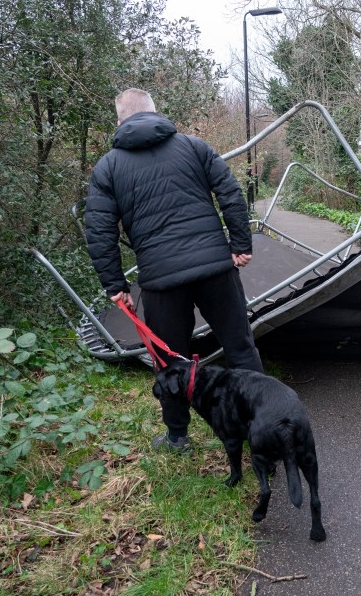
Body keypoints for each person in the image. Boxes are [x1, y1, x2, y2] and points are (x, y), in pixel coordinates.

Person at [85, 88, 264, 452]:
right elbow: (229, 191)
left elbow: (99, 231)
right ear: (154, 112)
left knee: (169, 360)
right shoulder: (193, 146)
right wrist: (240, 244)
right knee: (239, 345)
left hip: (161, 281)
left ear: (120, 120)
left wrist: (115, 286)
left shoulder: (108, 167)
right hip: (216, 268)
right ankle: (261, 422)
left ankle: (178, 437)